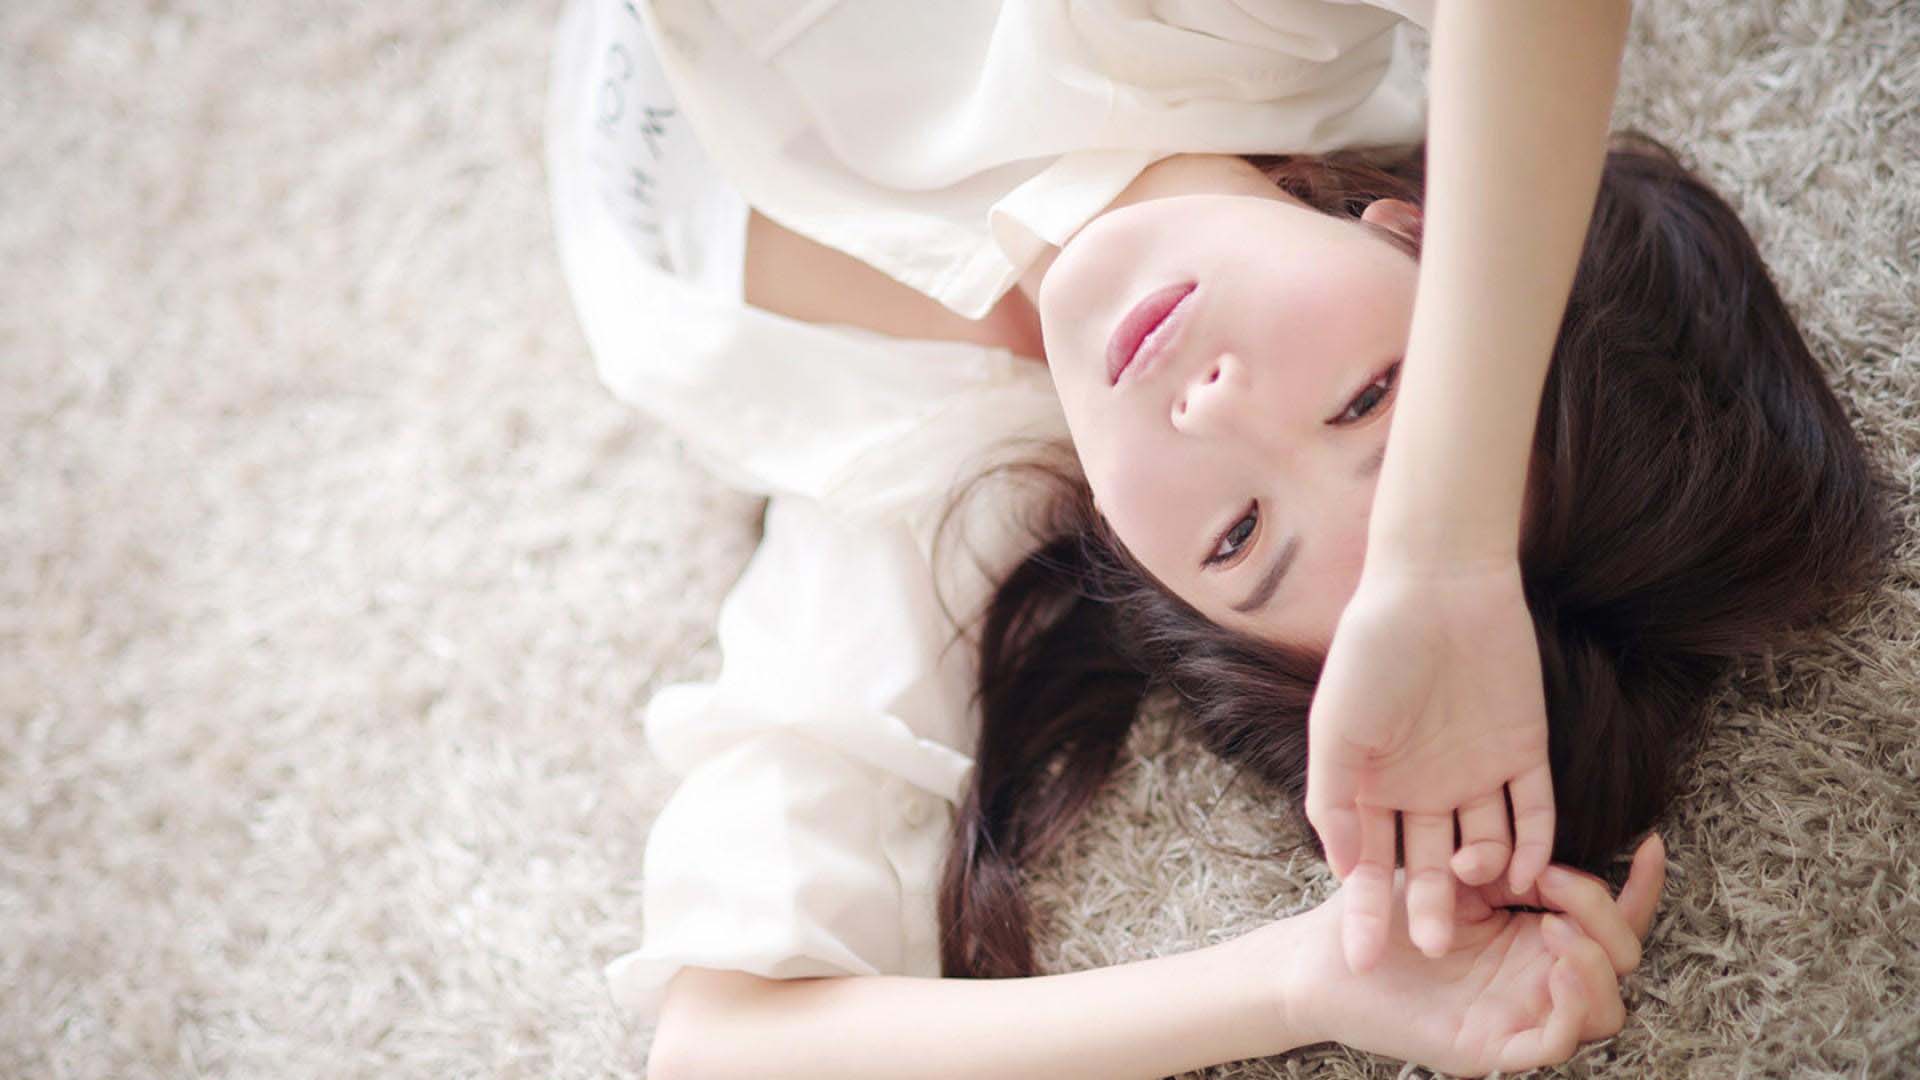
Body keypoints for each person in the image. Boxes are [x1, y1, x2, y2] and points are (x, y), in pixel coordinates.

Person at [544, 0, 1895, 1075]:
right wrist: (1445, 559)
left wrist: (1304, 979)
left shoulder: (931, 471)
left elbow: (723, 1044)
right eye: (1368, 401)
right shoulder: (1253, 31)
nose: (1213, 408)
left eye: (1241, 537)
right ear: (1414, 235)